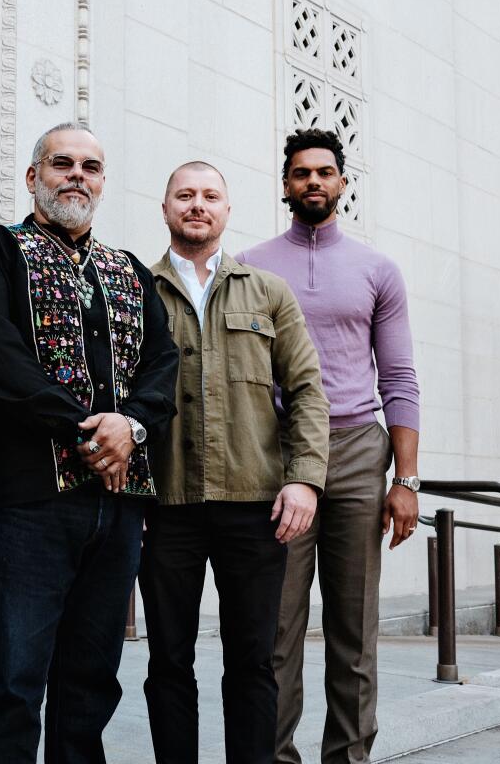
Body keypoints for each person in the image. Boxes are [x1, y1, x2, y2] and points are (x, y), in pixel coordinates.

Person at [0, 121, 179, 764]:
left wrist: (129, 424)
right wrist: (87, 426)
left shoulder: (127, 271)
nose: (78, 174)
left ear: (102, 184)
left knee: (90, 684)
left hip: (117, 508)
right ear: (33, 177)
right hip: (27, 508)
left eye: (91, 167)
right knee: (13, 685)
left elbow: (163, 365)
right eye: (62, 163)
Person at [238, 129, 421, 764]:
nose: (312, 182)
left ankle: (349, 758)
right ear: (284, 185)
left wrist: (406, 479)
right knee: (276, 630)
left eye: (324, 172)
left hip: (357, 452)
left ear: (343, 182)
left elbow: (398, 379)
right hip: (278, 457)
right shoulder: (250, 266)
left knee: (353, 629)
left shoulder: (378, 270)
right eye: (300, 174)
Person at [140, 161, 330, 764]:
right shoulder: (136, 289)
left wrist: (304, 481)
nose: (198, 205)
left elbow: (306, 391)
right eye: (185, 195)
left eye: (210, 196)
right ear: (165, 208)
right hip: (164, 507)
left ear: (227, 210)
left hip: (254, 506)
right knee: (169, 658)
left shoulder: (269, 292)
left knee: (253, 660)